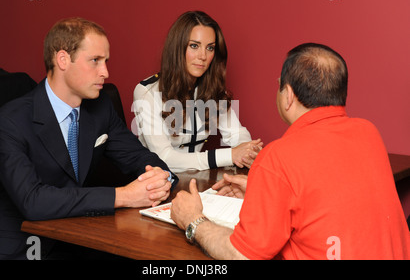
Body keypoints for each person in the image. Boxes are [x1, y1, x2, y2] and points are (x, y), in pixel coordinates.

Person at [170, 43, 410, 260]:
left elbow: (241, 255)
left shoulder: (278, 157)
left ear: (288, 97)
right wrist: (264, 190)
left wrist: (194, 221)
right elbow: (331, 190)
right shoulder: (368, 132)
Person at [0, 17, 177, 260]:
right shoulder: (8, 123)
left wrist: (161, 177)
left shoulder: (100, 107)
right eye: (95, 61)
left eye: (106, 61)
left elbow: (139, 156)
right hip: (18, 248)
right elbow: (33, 201)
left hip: (75, 238)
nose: (105, 72)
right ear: (63, 60)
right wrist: (124, 196)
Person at [133, 11, 263, 172]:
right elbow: (164, 158)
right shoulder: (147, 92)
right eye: (194, 46)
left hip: (198, 180)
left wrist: (247, 150)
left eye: (210, 48)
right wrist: (231, 155)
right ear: (177, 48)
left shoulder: (213, 90)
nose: (203, 56)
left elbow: (237, 133)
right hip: (156, 183)